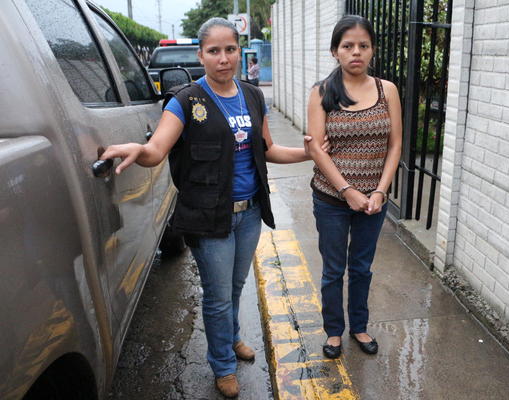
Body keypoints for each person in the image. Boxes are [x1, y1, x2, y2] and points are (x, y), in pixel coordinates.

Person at [100, 17, 327, 399]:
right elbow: (157, 150)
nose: (224, 58)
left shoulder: (253, 96)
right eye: (214, 51)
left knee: (235, 287)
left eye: (230, 49)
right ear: (201, 56)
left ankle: (233, 337)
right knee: (218, 296)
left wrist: (311, 153)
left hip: (251, 211)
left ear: (240, 51)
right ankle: (222, 364)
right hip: (209, 218)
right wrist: (139, 150)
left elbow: (268, 150)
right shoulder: (186, 100)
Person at [306, 15, 403, 360]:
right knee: (334, 269)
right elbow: (317, 150)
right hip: (332, 198)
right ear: (335, 51)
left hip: (373, 203)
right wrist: (348, 190)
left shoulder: (386, 90)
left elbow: (395, 145)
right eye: (348, 46)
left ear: (372, 49)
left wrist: (379, 191)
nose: (356, 52)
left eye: (363, 45)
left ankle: (359, 326)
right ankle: (334, 331)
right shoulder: (321, 93)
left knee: (361, 267)